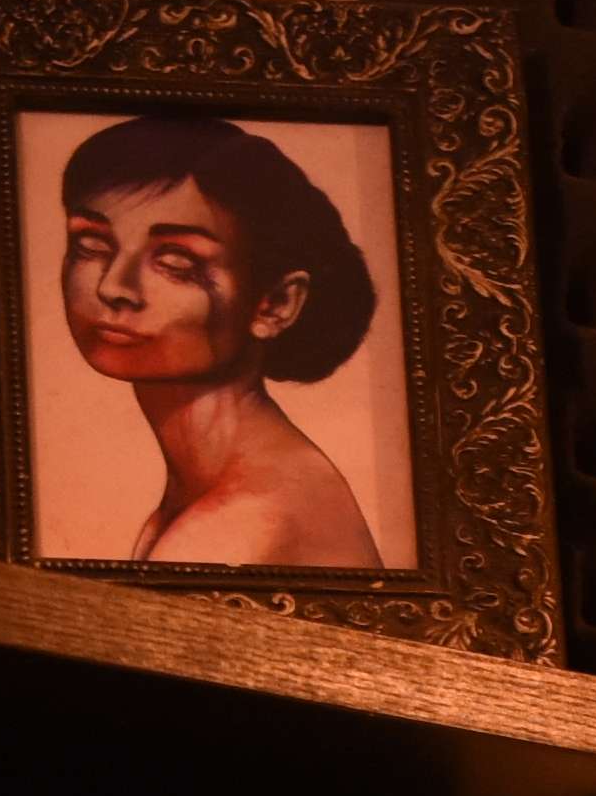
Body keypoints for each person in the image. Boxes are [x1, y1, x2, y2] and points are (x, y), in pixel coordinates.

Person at [55, 108, 390, 568]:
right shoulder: (213, 490)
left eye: (176, 264)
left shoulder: (241, 521)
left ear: (274, 304)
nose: (113, 286)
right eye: (91, 246)